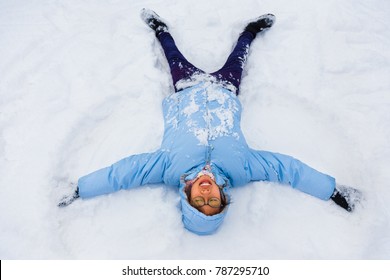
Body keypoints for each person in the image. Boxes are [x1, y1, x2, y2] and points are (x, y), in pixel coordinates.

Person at [59, 9, 362, 235]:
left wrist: (79, 189)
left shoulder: (166, 168)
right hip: (225, 91)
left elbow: (121, 173)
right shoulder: (243, 168)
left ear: (187, 195)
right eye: (212, 202)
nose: (206, 195)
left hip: (187, 89)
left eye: (198, 202)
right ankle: (250, 31)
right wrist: (332, 190)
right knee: (240, 54)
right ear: (222, 198)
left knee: (171, 53)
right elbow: (289, 169)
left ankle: (160, 29)